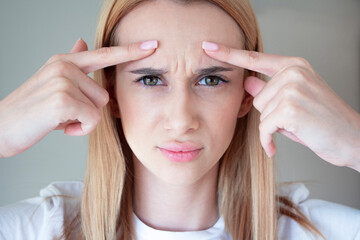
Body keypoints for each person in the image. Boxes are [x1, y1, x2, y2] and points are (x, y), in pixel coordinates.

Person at [0, 0, 359, 239]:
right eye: (150, 79)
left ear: (247, 96)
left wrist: (354, 142)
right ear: (110, 92)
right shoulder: (39, 230)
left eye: (211, 79)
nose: (181, 120)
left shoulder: (319, 232)